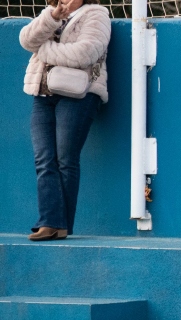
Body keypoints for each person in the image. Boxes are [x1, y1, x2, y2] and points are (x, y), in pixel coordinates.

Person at [20, 0, 110, 241]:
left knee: (65, 159)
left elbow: (85, 53)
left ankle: (59, 225)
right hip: (42, 93)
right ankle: (51, 223)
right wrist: (52, 18)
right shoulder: (49, 14)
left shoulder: (96, 14)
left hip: (78, 95)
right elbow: (26, 39)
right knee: (44, 159)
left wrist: (43, 49)